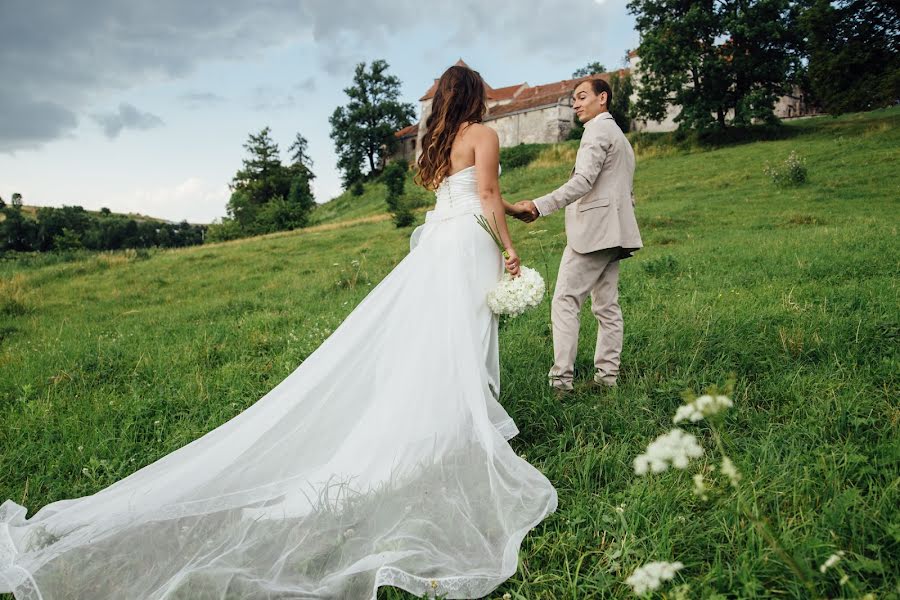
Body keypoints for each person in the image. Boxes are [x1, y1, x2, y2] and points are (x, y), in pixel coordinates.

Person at [0, 64, 557, 600]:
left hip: (442, 243)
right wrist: (510, 247)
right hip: (468, 245)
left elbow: (464, 193)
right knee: (457, 335)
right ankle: (455, 429)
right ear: (477, 97)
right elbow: (481, 197)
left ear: (444, 99)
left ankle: (453, 423)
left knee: (434, 341)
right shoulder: (484, 132)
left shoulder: (439, 140)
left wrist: (514, 207)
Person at [515, 77, 643, 395]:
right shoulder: (621, 138)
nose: (575, 104)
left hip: (594, 232)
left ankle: (561, 382)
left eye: (582, 97)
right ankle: (607, 379)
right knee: (606, 306)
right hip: (614, 233)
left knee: (564, 301)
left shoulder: (597, 130)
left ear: (603, 98)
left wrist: (539, 205)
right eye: (573, 99)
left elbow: (584, 181)